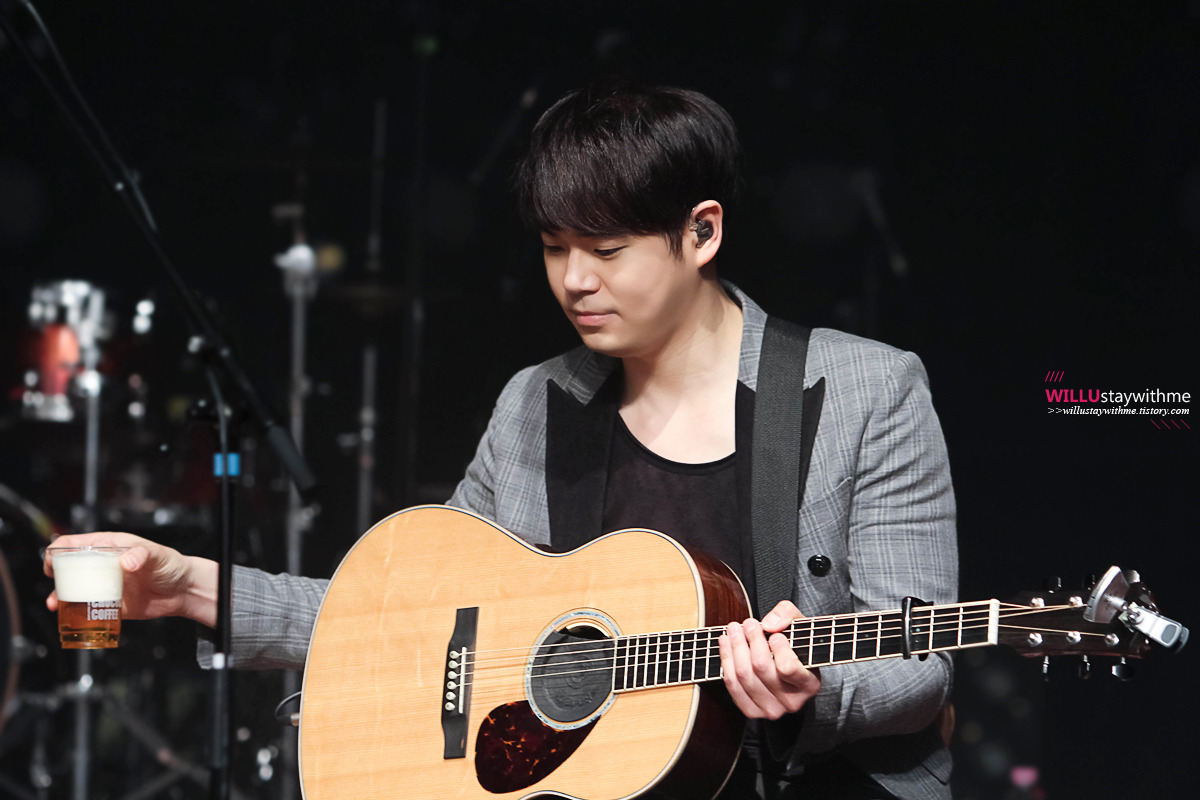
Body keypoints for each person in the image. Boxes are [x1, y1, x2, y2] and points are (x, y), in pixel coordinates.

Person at [44, 80, 957, 799]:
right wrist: (187, 585)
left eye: (607, 251)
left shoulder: (867, 390)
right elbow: (410, 624)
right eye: (556, 247)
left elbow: (920, 664)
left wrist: (812, 695)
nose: (574, 281)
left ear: (701, 231)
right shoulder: (538, 404)